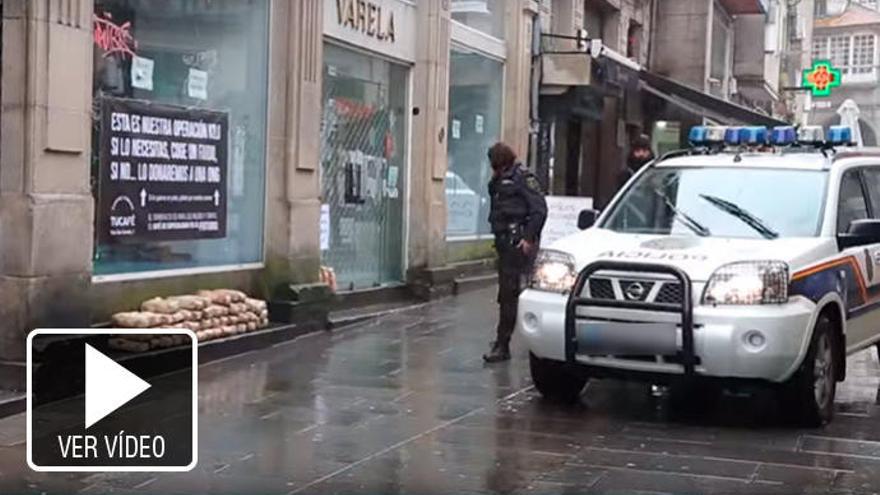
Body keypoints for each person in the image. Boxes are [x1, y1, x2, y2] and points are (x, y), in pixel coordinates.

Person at [484, 142, 548, 363]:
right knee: (507, 294)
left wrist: (528, 238)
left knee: (509, 294)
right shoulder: (500, 178)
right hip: (504, 241)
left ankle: (503, 345)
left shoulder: (523, 177)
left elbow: (539, 210)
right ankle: (503, 341)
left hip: (516, 242)